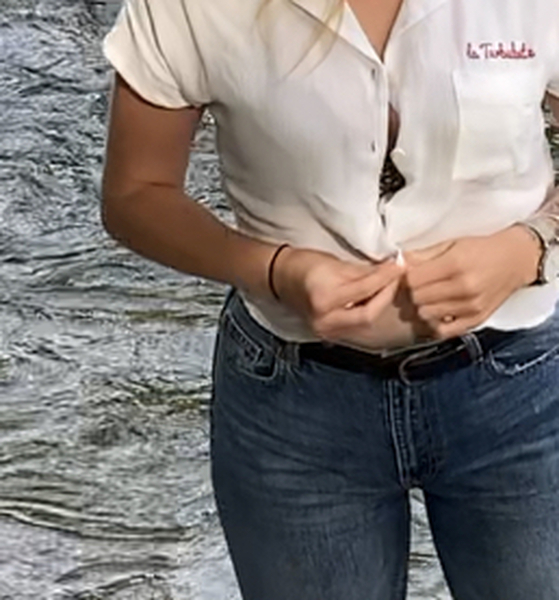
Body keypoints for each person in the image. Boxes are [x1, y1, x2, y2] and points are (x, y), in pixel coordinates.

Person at [101, 0, 559, 598]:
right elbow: (136, 194)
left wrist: (530, 247)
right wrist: (274, 269)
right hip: (292, 408)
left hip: (522, 389)